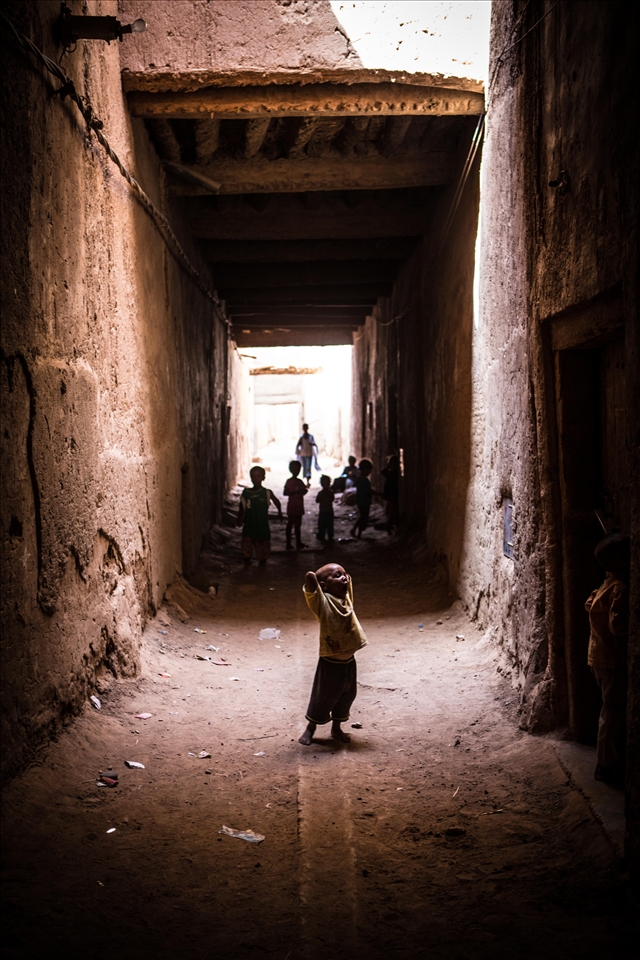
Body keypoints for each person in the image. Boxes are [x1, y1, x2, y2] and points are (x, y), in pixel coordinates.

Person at [299, 563, 367, 745]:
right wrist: (318, 583)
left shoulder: (347, 599)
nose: (344, 578)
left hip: (349, 663)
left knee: (346, 697)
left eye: (344, 574)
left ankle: (336, 729)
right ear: (324, 586)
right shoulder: (323, 603)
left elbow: (347, 580)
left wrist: (340, 575)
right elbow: (310, 577)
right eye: (337, 575)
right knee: (322, 698)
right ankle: (310, 729)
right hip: (330, 664)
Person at [585, 533, 630, 785]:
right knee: (612, 713)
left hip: (598, 657)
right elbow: (618, 625)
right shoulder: (620, 588)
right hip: (611, 661)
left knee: (610, 710)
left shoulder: (607, 583)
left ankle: (610, 760)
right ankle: (606, 765)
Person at [236, 466, 282, 566]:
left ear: (263, 478)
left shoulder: (266, 493)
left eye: (258, 476)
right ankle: (247, 560)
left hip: (262, 524)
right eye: (253, 476)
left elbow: (276, 501)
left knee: (263, 543)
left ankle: (262, 561)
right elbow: (241, 506)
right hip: (249, 523)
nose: (255, 478)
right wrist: (240, 518)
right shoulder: (246, 493)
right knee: (247, 542)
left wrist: (280, 512)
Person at [283, 460, 308, 550]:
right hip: (293, 505)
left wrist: (303, 491)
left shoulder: (300, 481)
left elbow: (305, 490)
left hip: (299, 505)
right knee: (290, 524)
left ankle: (298, 542)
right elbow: (285, 492)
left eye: (297, 469)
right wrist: (296, 492)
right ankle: (288, 543)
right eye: (294, 469)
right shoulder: (289, 481)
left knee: (298, 525)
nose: (296, 471)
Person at [350, 459, 376, 538]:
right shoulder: (365, 480)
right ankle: (358, 533)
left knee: (362, 516)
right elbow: (368, 491)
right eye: (369, 470)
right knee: (364, 517)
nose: (369, 472)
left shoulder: (359, 478)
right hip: (364, 501)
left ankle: (355, 531)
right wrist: (378, 493)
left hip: (360, 500)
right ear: (365, 469)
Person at [381, 454, 400, 534]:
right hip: (390, 494)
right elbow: (382, 471)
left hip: (394, 493)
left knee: (393, 510)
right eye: (392, 463)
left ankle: (389, 526)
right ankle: (389, 526)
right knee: (393, 510)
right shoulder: (390, 473)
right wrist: (389, 466)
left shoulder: (395, 473)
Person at [295, 424, 318, 488]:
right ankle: (306, 482)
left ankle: (308, 481)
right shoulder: (301, 437)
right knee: (305, 468)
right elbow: (298, 444)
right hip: (303, 454)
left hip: (309, 454)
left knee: (308, 467)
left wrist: (312, 444)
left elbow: (314, 444)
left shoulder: (311, 437)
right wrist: (298, 452)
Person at [315, 475, 335, 542]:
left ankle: (322, 535)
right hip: (329, 511)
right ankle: (329, 536)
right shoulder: (330, 492)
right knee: (329, 524)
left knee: (322, 524)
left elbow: (317, 500)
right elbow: (332, 499)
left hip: (323, 511)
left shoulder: (321, 493)